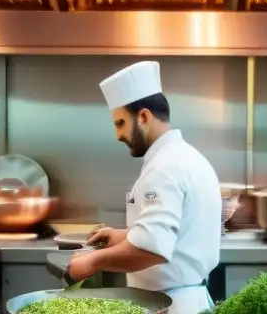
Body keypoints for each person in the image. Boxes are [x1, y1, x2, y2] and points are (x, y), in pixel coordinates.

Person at [62, 61, 221, 301]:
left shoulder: (165, 168)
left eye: (120, 123)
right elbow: (171, 232)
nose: (118, 135)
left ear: (144, 117)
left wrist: (93, 261)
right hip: (182, 300)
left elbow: (151, 249)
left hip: (168, 309)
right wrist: (125, 236)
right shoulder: (186, 157)